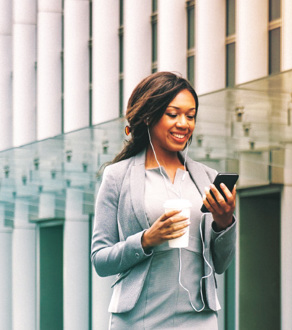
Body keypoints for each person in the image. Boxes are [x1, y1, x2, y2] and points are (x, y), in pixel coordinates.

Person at [91, 71, 236, 329]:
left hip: (199, 317)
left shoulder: (207, 178)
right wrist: (146, 240)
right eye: (173, 114)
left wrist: (224, 223)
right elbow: (101, 260)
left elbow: (221, 264)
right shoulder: (117, 177)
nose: (184, 123)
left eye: (190, 116)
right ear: (148, 116)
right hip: (139, 318)